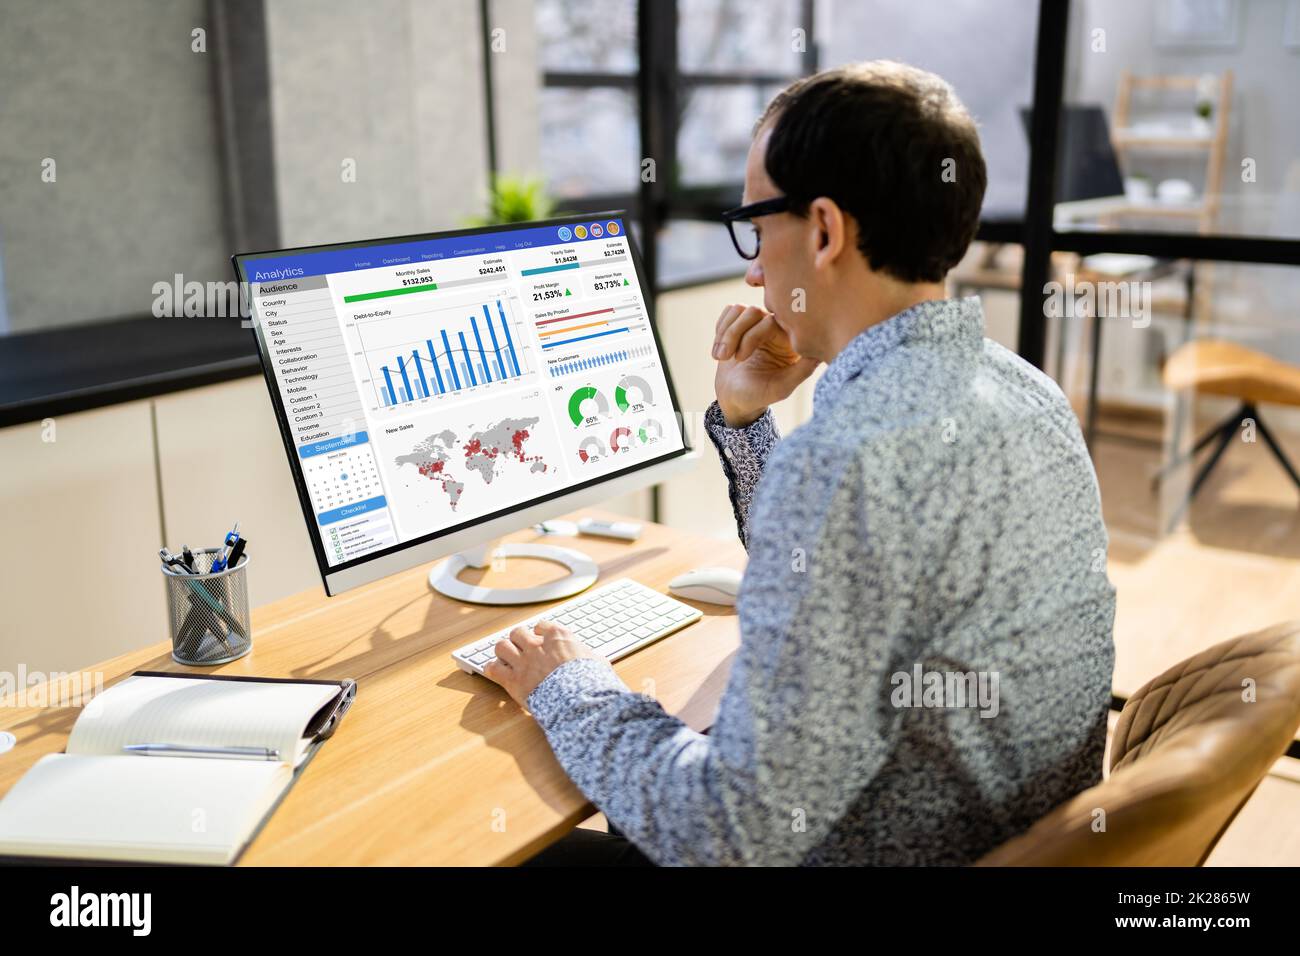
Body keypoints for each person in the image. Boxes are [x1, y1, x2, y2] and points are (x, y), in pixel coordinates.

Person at [490, 60, 1116, 866]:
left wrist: (565, 683)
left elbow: (722, 831)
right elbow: (843, 590)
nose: (752, 270)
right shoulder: (1026, 391)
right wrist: (748, 418)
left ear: (823, 231)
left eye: (756, 227)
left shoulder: (851, 457)